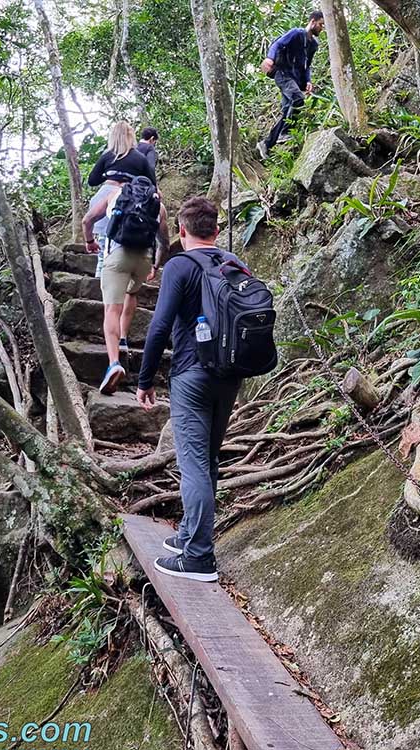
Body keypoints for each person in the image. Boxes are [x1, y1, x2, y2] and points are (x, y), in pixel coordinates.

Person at [137, 197, 242, 583]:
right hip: (230, 377)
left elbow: (160, 326)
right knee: (207, 461)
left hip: (191, 376)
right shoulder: (233, 263)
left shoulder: (179, 265)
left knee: (193, 464)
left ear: (181, 231)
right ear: (215, 230)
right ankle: (188, 535)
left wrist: (145, 379)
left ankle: (198, 558)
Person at [82, 122, 168, 393]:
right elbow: (163, 236)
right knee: (131, 293)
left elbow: (92, 180)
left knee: (111, 302)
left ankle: (113, 362)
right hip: (142, 253)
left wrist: (88, 241)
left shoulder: (107, 156)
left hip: (111, 212)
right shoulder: (142, 158)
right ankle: (123, 338)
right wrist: (156, 264)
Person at [257, 11, 325, 160]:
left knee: (288, 112)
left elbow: (307, 66)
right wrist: (269, 58)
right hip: (282, 74)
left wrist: (308, 81)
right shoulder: (296, 33)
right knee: (297, 99)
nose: (322, 28)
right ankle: (285, 133)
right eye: (320, 24)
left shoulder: (313, 44)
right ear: (312, 22)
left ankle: (266, 144)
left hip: (295, 78)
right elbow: (278, 44)